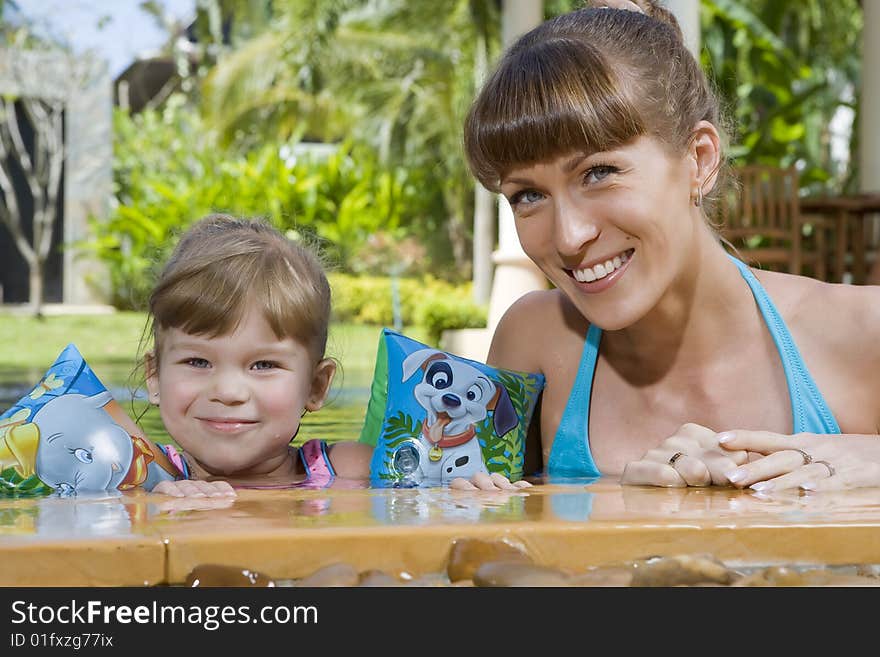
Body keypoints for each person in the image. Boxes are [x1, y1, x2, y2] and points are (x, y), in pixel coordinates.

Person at [458, 0, 880, 492]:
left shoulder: (862, 335)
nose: (569, 237)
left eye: (599, 173)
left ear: (699, 160)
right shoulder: (535, 342)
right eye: (528, 195)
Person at [139, 214, 375, 497]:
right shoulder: (140, 475)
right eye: (198, 361)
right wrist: (149, 509)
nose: (228, 392)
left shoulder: (351, 470)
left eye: (263, 365)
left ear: (315, 386)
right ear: (155, 376)